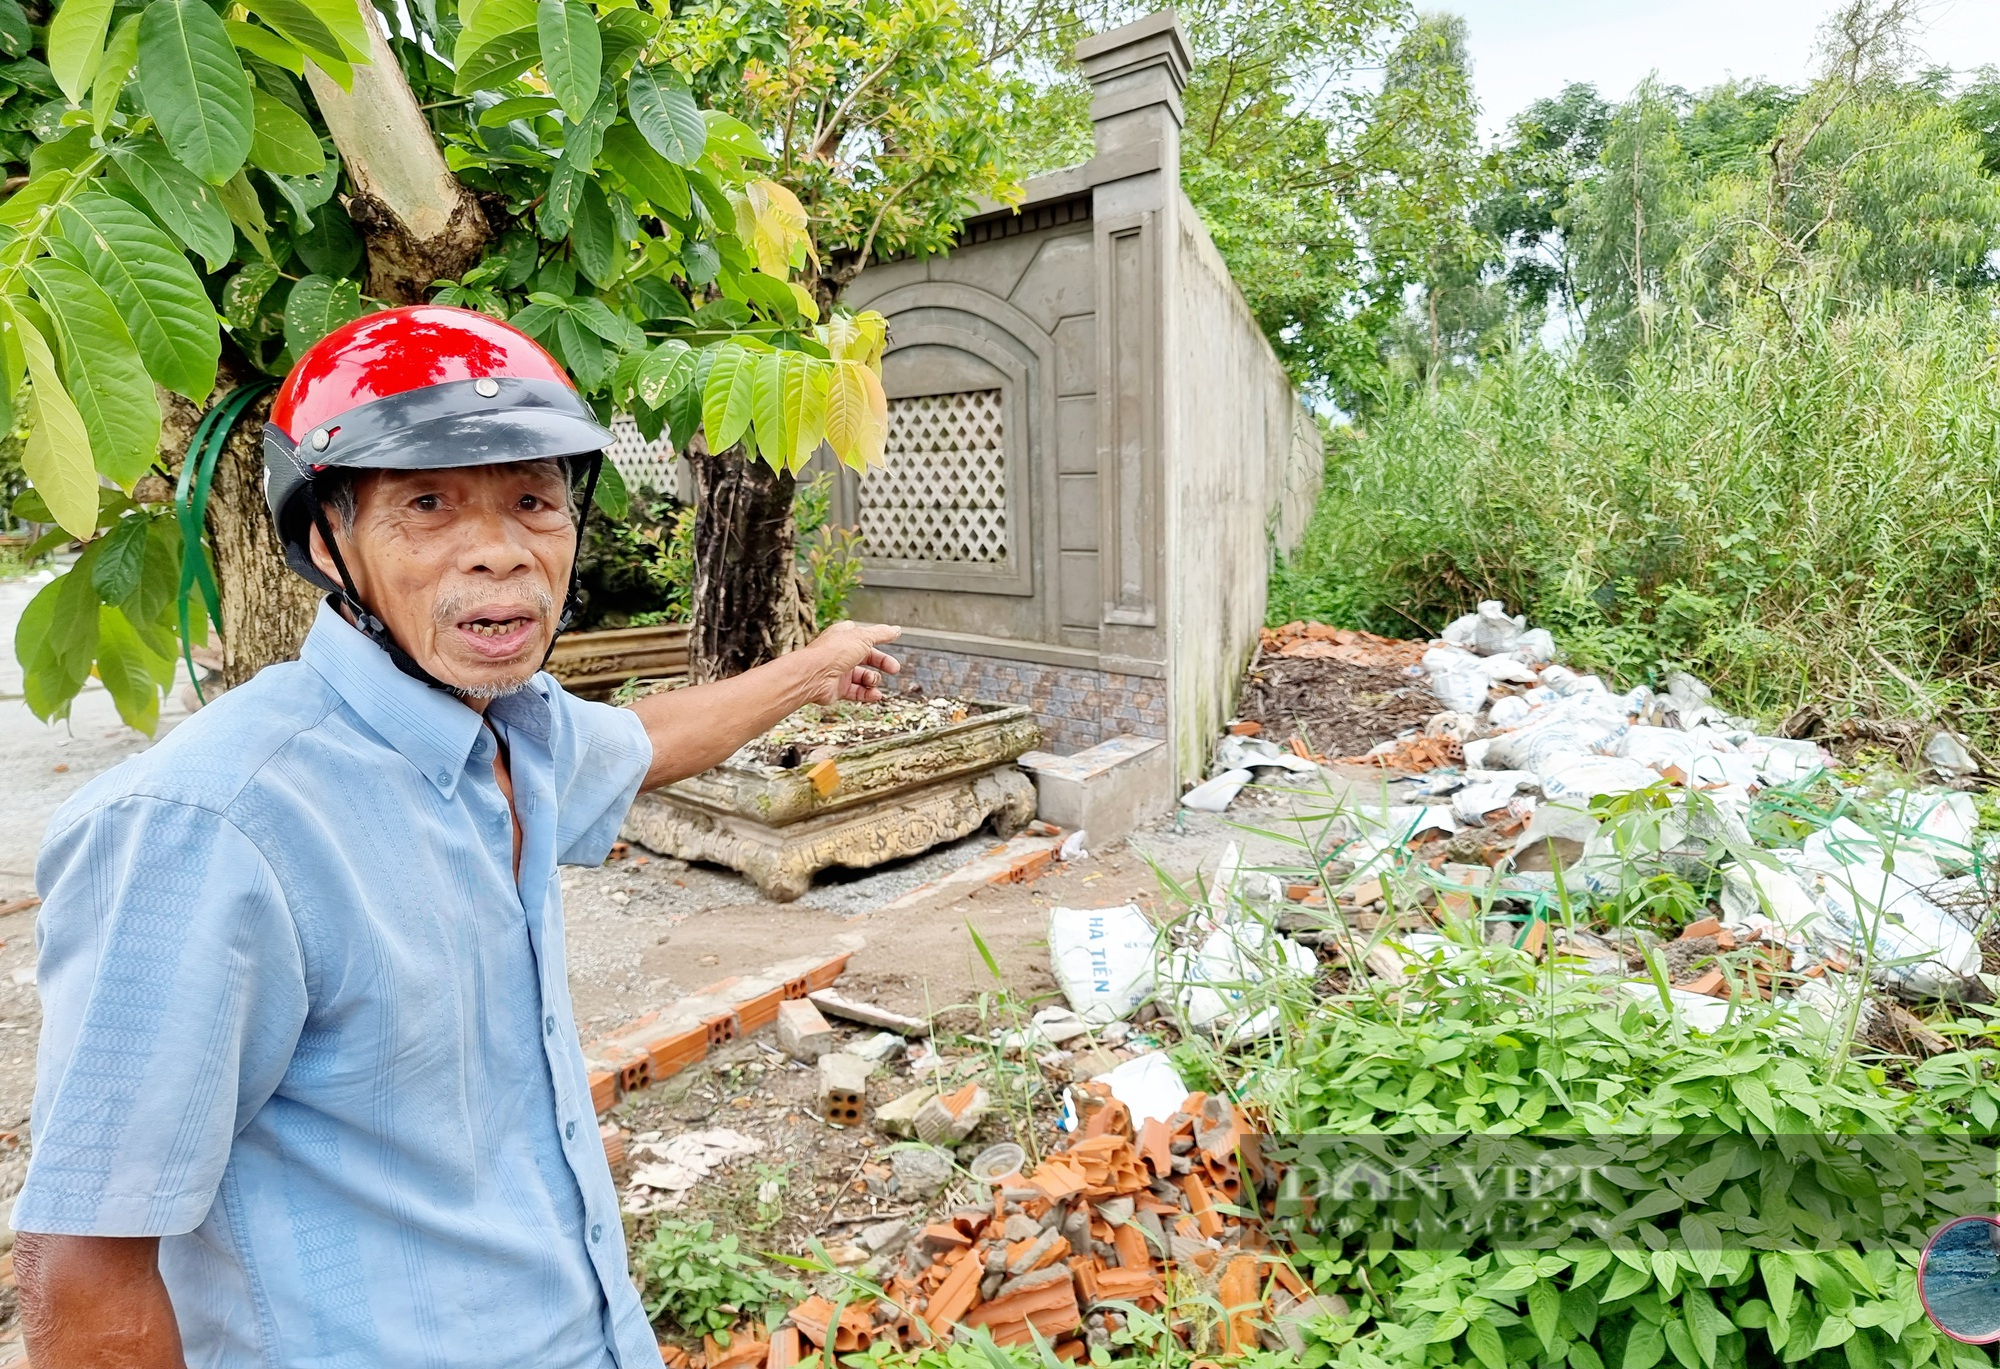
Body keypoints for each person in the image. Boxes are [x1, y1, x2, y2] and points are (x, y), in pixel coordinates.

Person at [10, 306, 901, 1367]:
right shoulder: (209, 827)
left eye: (534, 502)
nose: (499, 553)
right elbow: (87, 1266)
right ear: (324, 539)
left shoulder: (512, 731)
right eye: (427, 504)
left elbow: (644, 740)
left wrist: (812, 666)